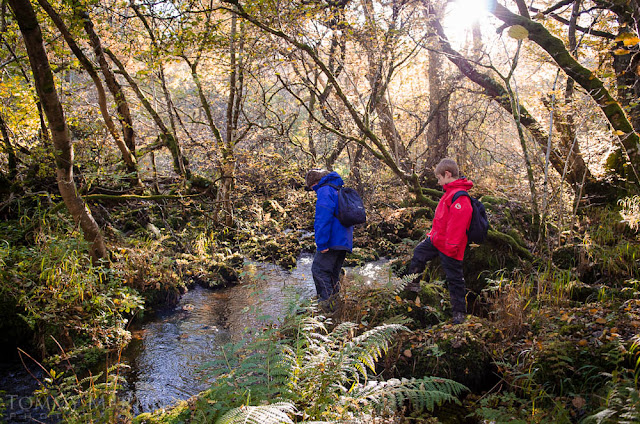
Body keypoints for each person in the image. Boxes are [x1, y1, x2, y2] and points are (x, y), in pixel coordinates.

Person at [406, 158, 473, 324]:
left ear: (447, 174)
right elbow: (441, 220)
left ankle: (459, 314)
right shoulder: (449, 193)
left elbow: (457, 226)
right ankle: (412, 283)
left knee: (454, 279)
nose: (438, 181)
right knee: (419, 253)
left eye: (439, 178)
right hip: (437, 240)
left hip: (451, 246)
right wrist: (432, 235)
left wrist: (450, 248)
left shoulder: (460, 197)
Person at [305, 169, 353, 312]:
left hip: (332, 240)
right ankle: (336, 307)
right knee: (332, 273)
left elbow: (323, 219)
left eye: (311, 188)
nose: (313, 191)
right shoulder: (337, 188)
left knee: (319, 270)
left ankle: (327, 308)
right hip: (344, 240)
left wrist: (322, 243)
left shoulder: (325, 190)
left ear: (315, 183)